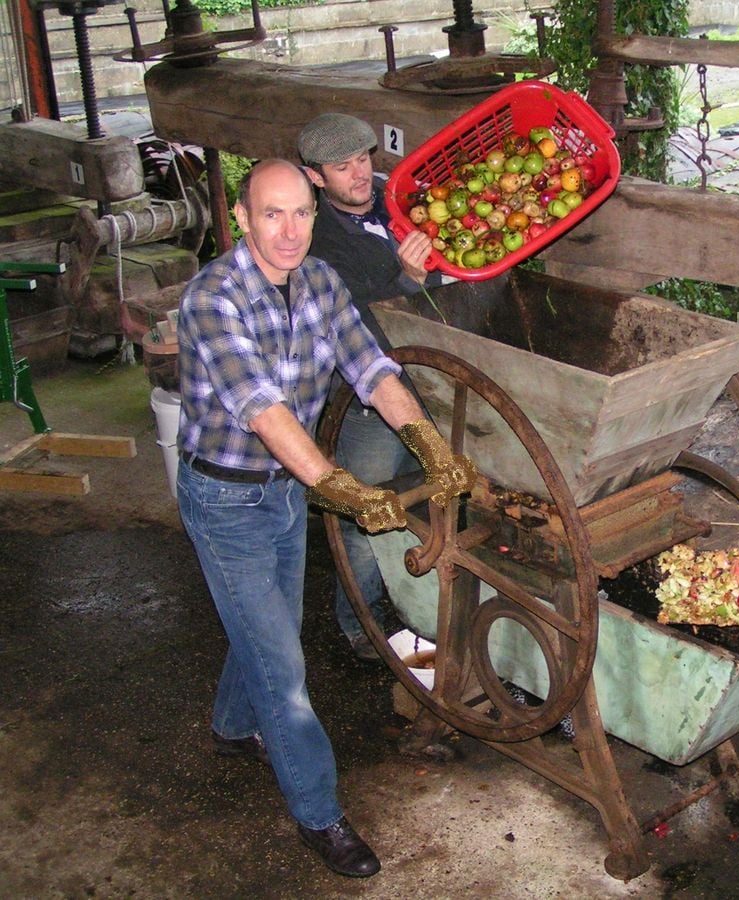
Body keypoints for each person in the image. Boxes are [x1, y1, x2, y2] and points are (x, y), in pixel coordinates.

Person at [175, 158, 474, 877]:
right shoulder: (212, 299)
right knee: (283, 665)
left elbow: (370, 367)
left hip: (282, 492)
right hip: (225, 498)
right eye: (271, 214)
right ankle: (320, 813)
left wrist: (428, 443)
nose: (288, 232)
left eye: (302, 214)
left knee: (263, 621)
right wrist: (340, 485)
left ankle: (229, 727)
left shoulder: (319, 281)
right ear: (241, 219)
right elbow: (266, 412)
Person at [297, 112, 438, 661]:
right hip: (366, 401)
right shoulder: (316, 246)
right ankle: (359, 620)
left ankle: (419, 604)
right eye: (342, 166)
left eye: (364, 158)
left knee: (426, 497)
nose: (360, 174)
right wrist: (407, 283)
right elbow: (356, 331)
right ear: (315, 177)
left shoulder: (392, 196)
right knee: (367, 511)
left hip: (429, 380)